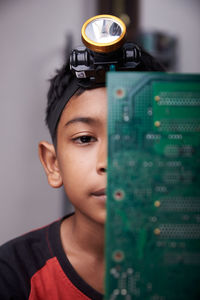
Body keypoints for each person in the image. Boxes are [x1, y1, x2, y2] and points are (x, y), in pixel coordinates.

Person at [0, 27, 164, 299]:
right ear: (53, 163)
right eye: (85, 138)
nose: (110, 162)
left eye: (134, 135)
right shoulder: (12, 274)